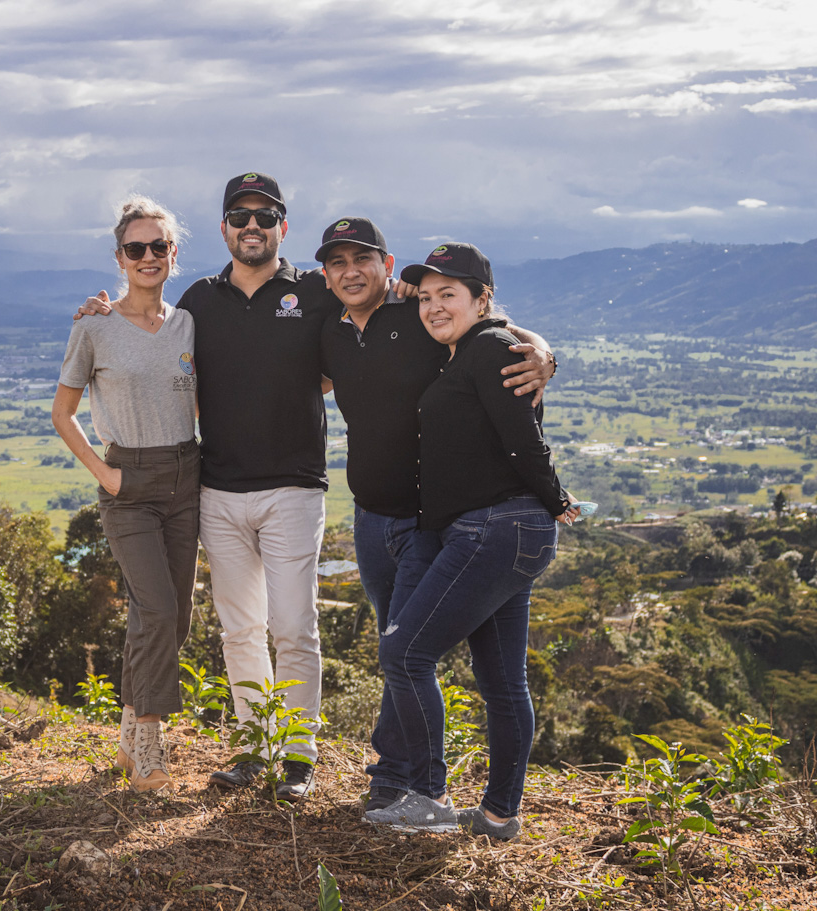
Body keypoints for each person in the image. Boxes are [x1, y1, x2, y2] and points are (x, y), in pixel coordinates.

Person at [79, 172, 333, 802]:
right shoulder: (198, 302)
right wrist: (100, 313)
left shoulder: (317, 291)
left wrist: (540, 351)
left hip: (295, 487)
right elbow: (148, 337)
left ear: (281, 227)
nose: (252, 226)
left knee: (295, 625)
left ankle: (296, 755)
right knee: (239, 629)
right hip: (216, 488)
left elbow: (364, 338)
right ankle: (254, 750)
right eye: (239, 217)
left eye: (264, 216)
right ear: (223, 228)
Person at [315, 219, 555, 814]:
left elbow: (492, 333)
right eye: (337, 261)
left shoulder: (420, 319)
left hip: (437, 525)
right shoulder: (329, 331)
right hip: (374, 520)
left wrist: (545, 354)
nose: (350, 271)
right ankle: (402, 782)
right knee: (401, 649)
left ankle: (416, 788)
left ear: (385, 264)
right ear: (324, 273)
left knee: (407, 651)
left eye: (362, 258)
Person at [363, 243, 580, 836]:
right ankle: (499, 814)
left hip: (496, 528)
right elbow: (406, 294)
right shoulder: (467, 348)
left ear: (483, 299)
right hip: (507, 532)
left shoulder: (489, 347)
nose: (433, 307)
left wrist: (557, 498)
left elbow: (521, 439)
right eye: (427, 297)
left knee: (404, 654)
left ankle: (430, 799)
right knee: (504, 683)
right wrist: (410, 291)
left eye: (448, 295)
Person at [51, 196, 200, 792]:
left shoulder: (190, 323)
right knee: (158, 610)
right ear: (119, 257)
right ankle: (150, 742)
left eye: (158, 247)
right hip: (128, 485)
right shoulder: (94, 326)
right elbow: (62, 414)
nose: (147, 256)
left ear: (172, 255)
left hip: (187, 476)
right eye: (135, 248)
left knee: (169, 615)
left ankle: (125, 730)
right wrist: (105, 475)